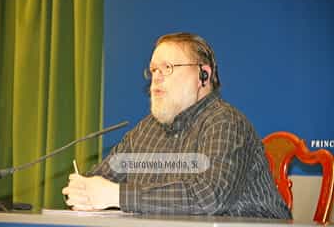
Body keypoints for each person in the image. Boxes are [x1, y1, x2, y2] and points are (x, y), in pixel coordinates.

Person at [62, 32, 292, 219]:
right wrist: (83, 189)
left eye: (168, 67)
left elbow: (209, 197)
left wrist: (117, 195)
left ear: (203, 75)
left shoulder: (225, 122)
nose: (157, 77)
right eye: (153, 70)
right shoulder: (146, 129)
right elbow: (102, 179)